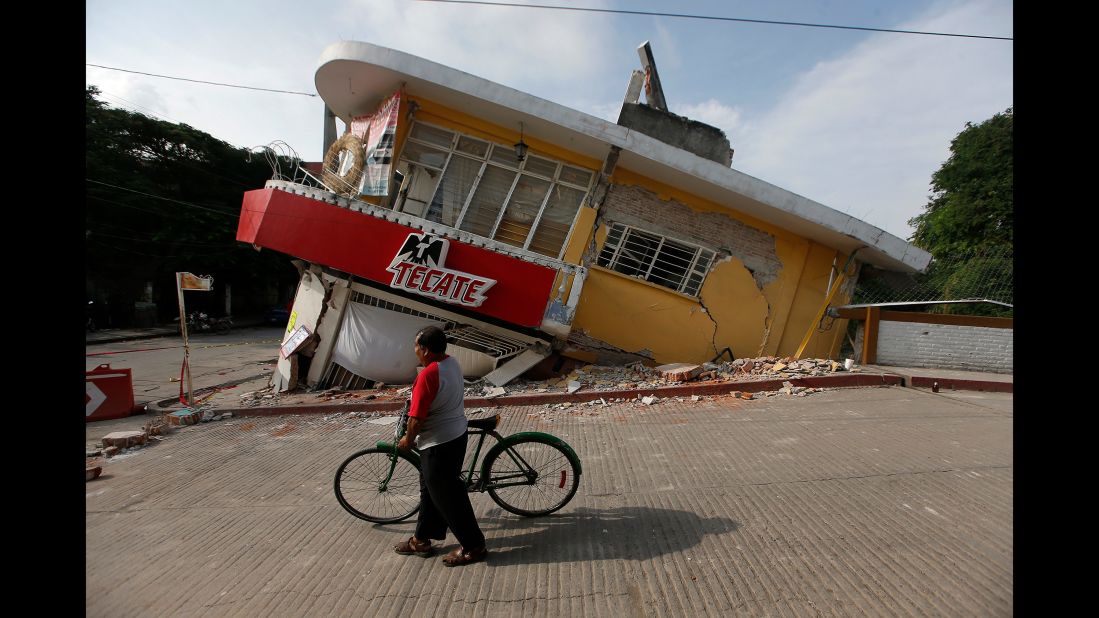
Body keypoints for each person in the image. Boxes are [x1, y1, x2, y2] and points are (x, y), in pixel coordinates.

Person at [393, 326, 488, 567]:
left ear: (424, 350)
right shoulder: (451, 363)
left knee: (449, 498)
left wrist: (407, 439)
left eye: (416, 346)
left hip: (439, 443)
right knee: (430, 490)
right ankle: (421, 539)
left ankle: (473, 546)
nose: (414, 350)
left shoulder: (428, 375)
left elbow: (416, 419)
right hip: (455, 434)